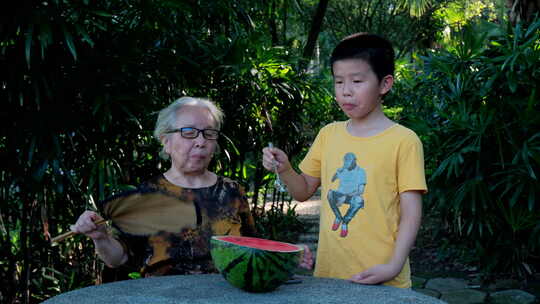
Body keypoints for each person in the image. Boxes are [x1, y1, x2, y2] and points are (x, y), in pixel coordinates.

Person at [262, 33, 427, 288]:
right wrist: (285, 169)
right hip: (330, 273)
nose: (346, 91)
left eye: (357, 81)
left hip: (384, 276)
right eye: (339, 82)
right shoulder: (329, 134)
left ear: (385, 84)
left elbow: (411, 213)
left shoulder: (404, 141)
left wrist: (393, 266)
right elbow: (303, 190)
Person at [71, 96, 257, 279]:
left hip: (223, 295)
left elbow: (252, 249)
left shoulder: (232, 191)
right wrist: (100, 237)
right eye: (189, 132)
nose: (201, 142)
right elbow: (118, 258)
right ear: (166, 141)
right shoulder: (146, 195)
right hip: (162, 295)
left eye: (209, 133)